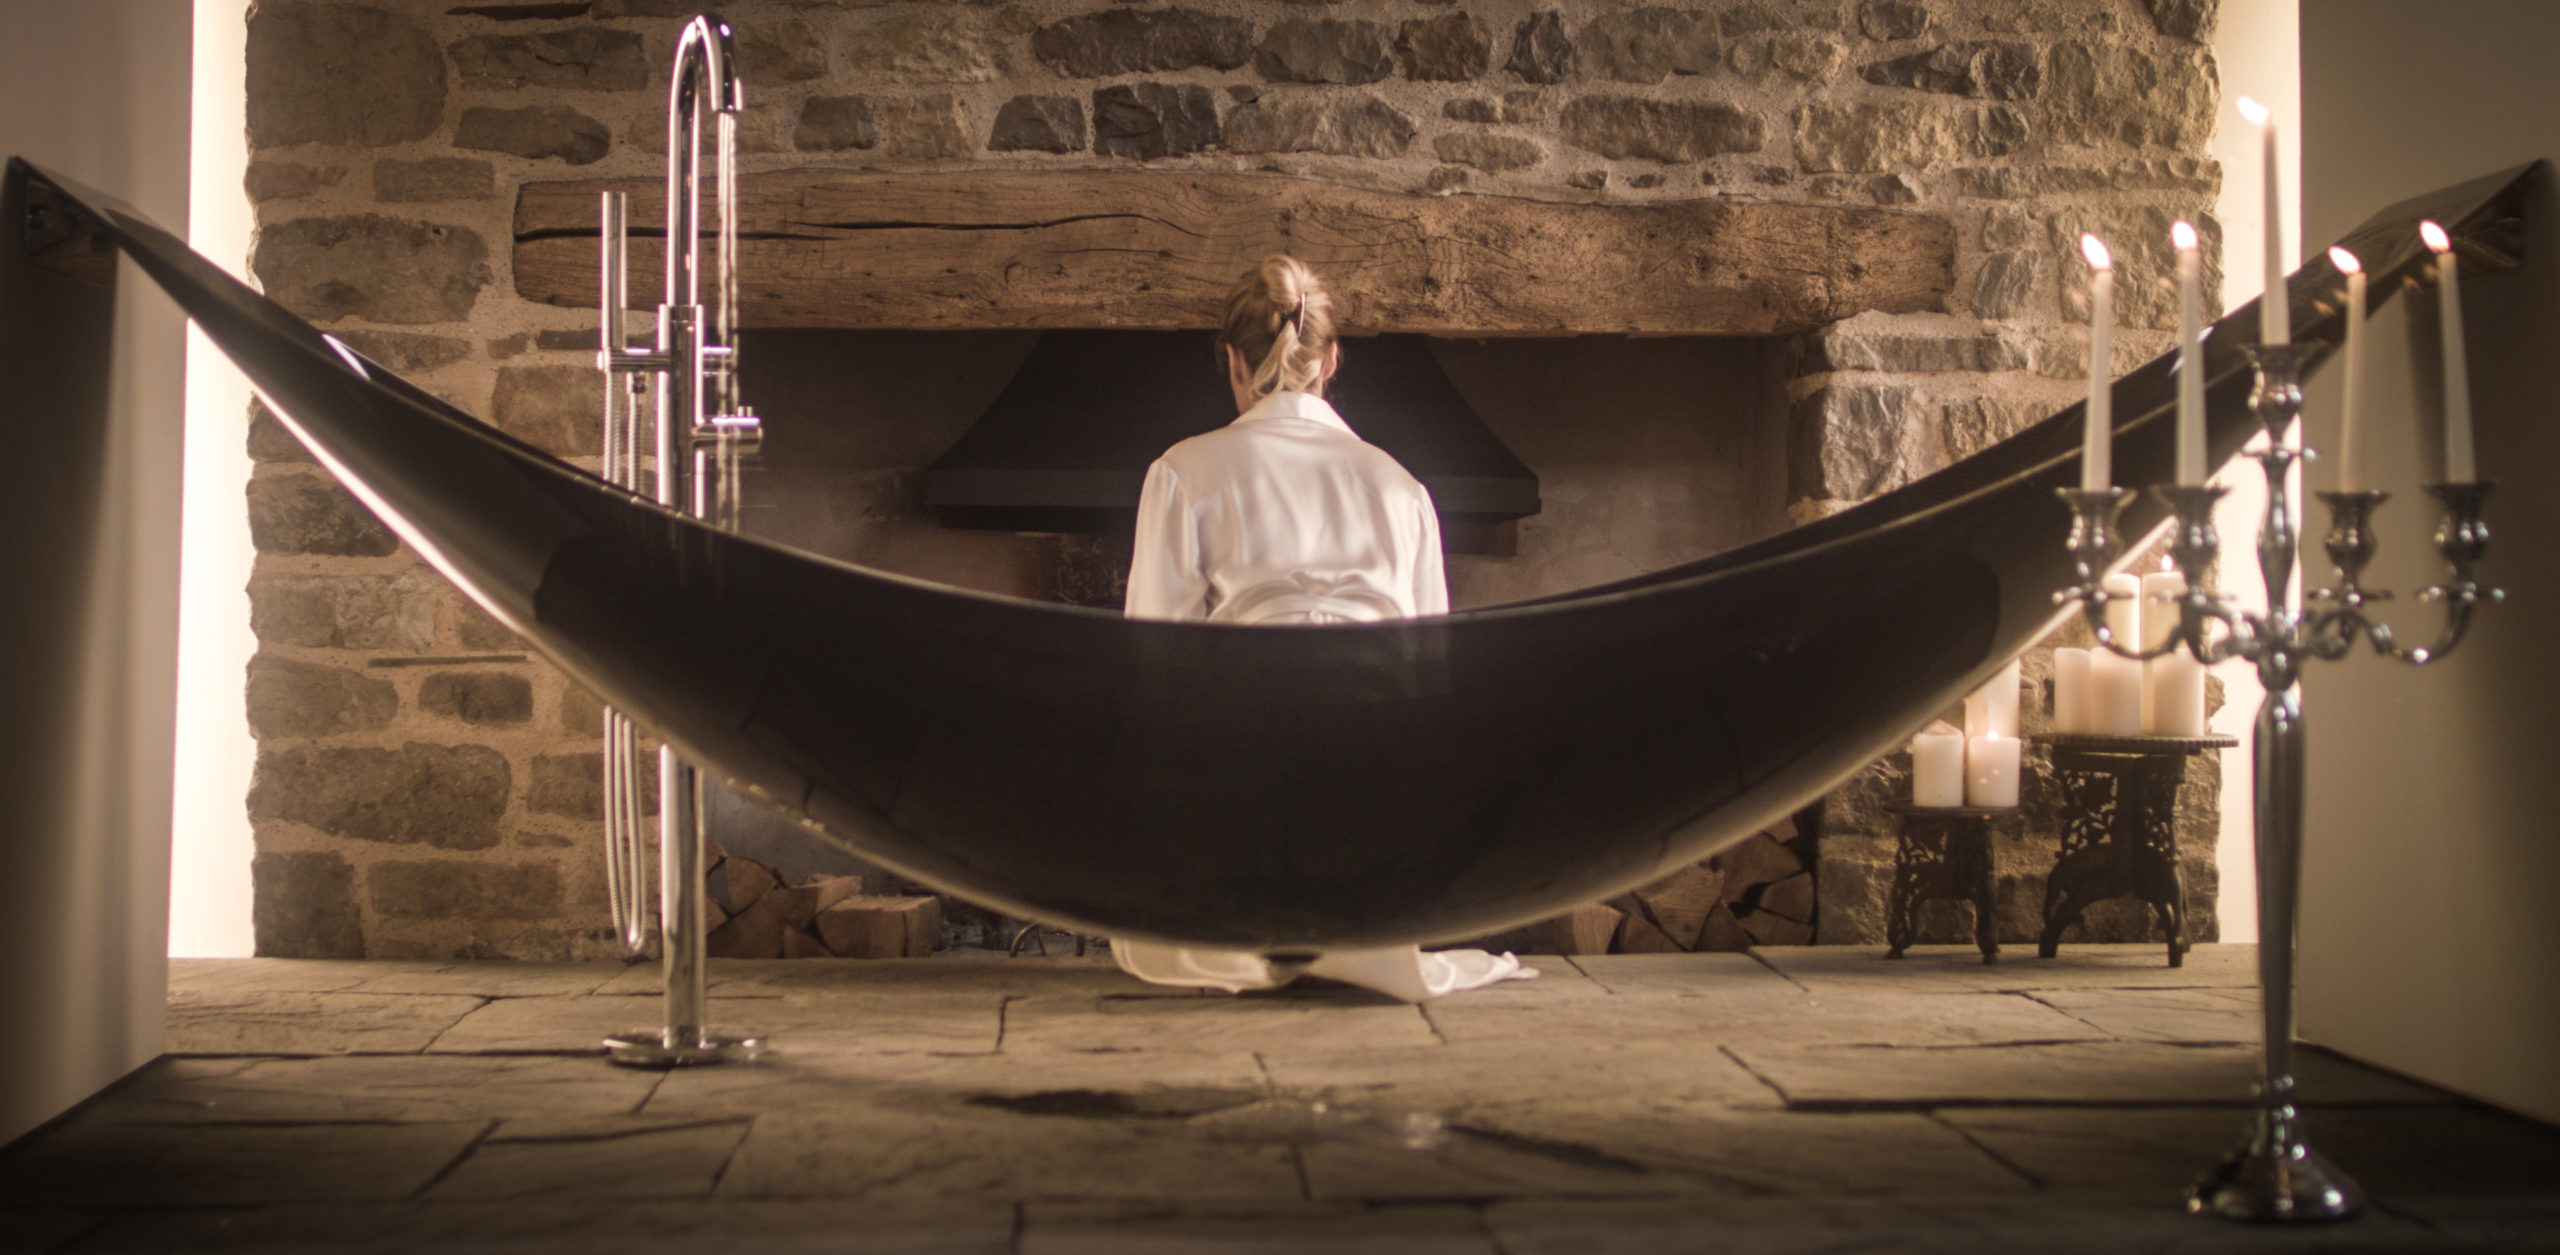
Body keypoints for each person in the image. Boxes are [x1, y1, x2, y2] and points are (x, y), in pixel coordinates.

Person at [1110, 255, 1536, 1003]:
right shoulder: (1401, 485)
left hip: (1243, 777)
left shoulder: (1183, 471)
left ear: (1233, 361)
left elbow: (1155, 665)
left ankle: (1244, 927)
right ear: (1330, 361)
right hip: (1373, 793)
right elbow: (1432, 673)